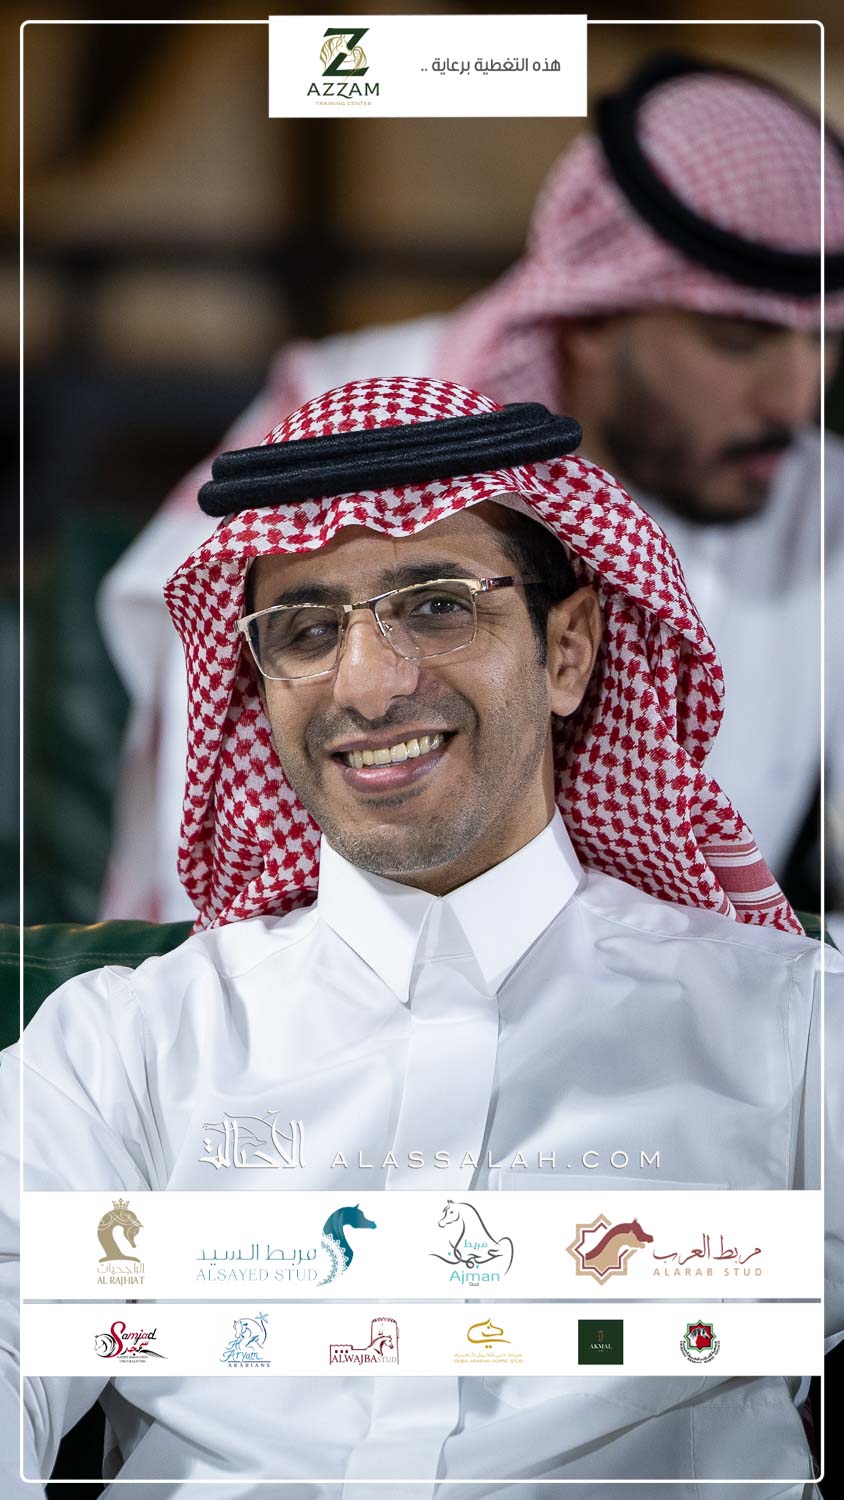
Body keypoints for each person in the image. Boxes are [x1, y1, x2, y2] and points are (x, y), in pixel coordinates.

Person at [4, 376, 841, 1498]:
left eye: (439, 606)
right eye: (307, 631)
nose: (369, 686)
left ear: (567, 652)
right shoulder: (121, 1053)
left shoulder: (793, 1034)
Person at [96, 53, 844, 926]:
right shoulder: (339, 424)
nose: (795, 400)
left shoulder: (818, 498)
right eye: (738, 341)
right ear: (593, 316)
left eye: (824, 340)